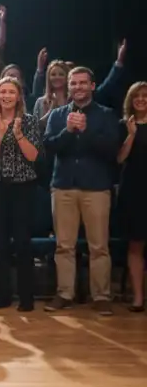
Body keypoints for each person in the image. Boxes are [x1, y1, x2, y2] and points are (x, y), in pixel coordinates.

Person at [43, 67, 122, 315]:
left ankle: (101, 297)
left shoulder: (107, 116)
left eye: (82, 83)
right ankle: (64, 293)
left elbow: (111, 151)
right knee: (63, 246)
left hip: (96, 188)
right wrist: (69, 131)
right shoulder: (57, 115)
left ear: (92, 86)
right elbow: (49, 148)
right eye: (73, 83)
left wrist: (86, 131)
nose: (77, 87)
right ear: (68, 87)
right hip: (63, 186)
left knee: (99, 246)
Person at [0, 77, 43, 311]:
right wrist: (0, 133)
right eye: (2, 92)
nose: (6, 96)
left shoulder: (29, 121)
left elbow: (33, 156)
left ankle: (26, 297)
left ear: (19, 96)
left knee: (22, 242)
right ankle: (2, 295)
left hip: (23, 187)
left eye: (11, 92)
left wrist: (17, 134)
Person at [116, 82, 147, 312]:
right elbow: (119, 158)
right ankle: (137, 297)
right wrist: (131, 135)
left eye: (145, 96)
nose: (141, 100)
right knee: (135, 244)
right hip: (134, 189)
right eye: (137, 96)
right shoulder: (124, 124)